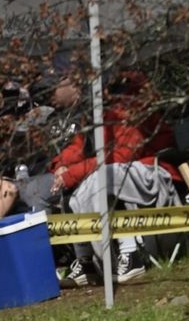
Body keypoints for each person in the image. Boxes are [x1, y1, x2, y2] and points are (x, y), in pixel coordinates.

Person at [53, 72, 181, 287]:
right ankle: (86, 263)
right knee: (80, 185)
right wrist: (61, 166)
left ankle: (131, 256)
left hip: (152, 168)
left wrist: (72, 173)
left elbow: (122, 155)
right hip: (119, 170)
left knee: (103, 178)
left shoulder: (134, 105)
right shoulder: (98, 110)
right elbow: (80, 145)